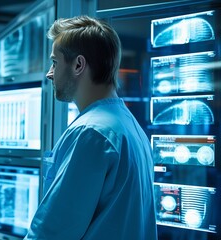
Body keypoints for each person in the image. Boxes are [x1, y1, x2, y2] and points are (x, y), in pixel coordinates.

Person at [24, 15, 157, 239]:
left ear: (78, 65)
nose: (49, 73)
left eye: (55, 63)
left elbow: (52, 232)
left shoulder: (90, 133)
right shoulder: (130, 126)